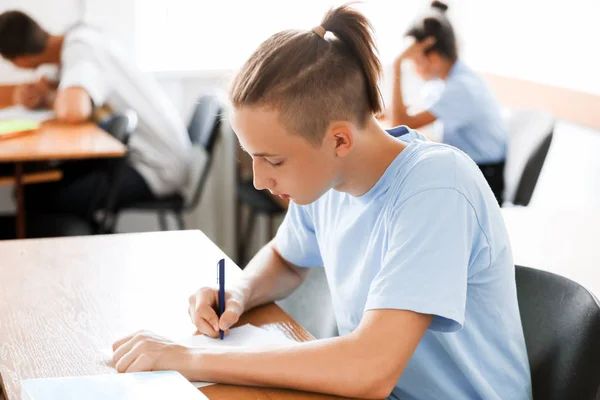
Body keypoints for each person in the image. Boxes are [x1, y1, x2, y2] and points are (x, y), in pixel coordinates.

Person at [112, 4, 532, 399]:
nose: (259, 180)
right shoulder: (328, 180)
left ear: (339, 140)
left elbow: (370, 368)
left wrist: (192, 358)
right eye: (252, 157)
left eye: (272, 160)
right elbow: (287, 257)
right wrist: (238, 293)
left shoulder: (437, 187)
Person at [0, 11, 191, 216]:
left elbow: (74, 110)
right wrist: (43, 93)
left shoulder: (80, 50)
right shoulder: (78, 36)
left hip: (156, 167)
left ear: (22, 61)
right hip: (146, 156)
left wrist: (47, 98)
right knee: (34, 189)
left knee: (38, 198)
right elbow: (62, 86)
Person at [389, 1, 508, 204]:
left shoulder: (459, 88)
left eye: (413, 59)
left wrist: (397, 64)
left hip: (485, 179)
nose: (412, 66)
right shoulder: (451, 79)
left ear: (433, 57)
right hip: (477, 168)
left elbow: (399, 123)